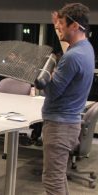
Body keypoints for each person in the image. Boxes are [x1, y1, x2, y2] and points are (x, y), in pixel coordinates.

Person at [42, 3, 94, 194]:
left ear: (74, 26)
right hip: (69, 124)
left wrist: (44, 76)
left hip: (59, 127)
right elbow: (68, 48)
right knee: (58, 177)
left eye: (62, 24)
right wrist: (58, 29)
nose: (58, 28)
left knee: (52, 181)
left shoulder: (72, 57)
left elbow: (52, 92)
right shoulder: (85, 48)